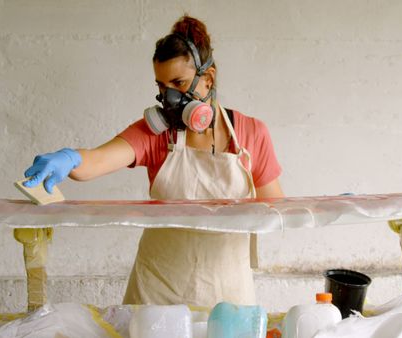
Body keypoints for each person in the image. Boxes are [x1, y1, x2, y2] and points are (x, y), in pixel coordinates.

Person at [22, 15, 284, 307]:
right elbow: (95, 162)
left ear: (207, 79)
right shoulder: (156, 134)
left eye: (179, 83)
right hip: (157, 294)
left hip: (229, 295)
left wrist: (331, 205)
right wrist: (69, 159)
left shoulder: (252, 133)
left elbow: (277, 210)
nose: (169, 97)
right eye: (162, 85)